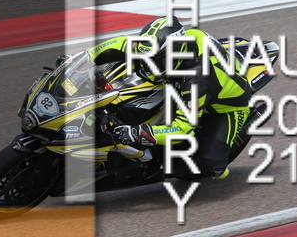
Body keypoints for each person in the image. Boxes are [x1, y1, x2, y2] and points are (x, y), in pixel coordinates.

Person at [85, 16, 251, 179]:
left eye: (154, 62)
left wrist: (136, 133)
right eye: (145, 60)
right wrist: (85, 59)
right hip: (194, 82)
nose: (147, 67)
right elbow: (120, 43)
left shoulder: (195, 82)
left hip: (224, 108)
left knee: (211, 166)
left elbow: (182, 129)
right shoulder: (155, 46)